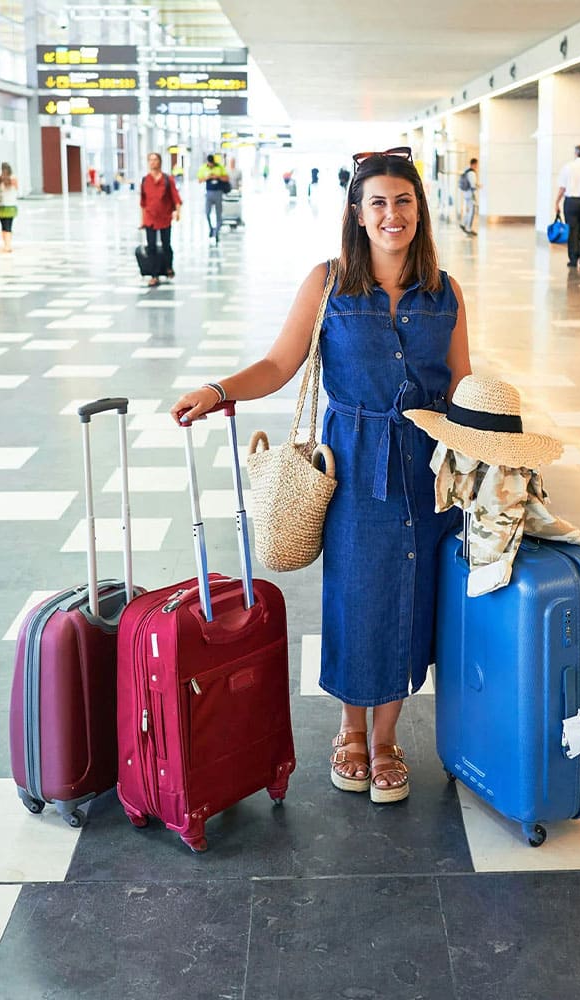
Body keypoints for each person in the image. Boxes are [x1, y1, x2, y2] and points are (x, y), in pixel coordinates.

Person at [171, 146, 472, 805]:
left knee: (413, 596)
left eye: (403, 201)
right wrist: (220, 389)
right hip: (354, 460)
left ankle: (388, 737)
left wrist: (493, 449)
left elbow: (460, 384)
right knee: (357, 595)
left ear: (419, 210)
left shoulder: (444, 292)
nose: (392, 214)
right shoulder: (329, 282)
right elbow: (280, 363)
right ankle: (349, 733)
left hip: (425, 465)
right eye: (378, 203)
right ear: (357, 214)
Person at [139, 152, 182, 287]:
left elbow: (176, 198)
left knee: (166, 245)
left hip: (164, 218)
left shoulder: (167, 180)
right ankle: (154, 275)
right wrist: (142, 220)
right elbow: (143, 203)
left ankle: (168, 266)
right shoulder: (145, 180)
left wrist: (178, 213)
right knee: (151, 247)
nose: (152, 162)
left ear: (160, 162)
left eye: (155, 160)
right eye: (150, 160)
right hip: (150, 218)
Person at [197, 153, 228, 243]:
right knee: (207, 213)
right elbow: (199, 180)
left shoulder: (220, 167)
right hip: (209, 193)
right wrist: (207, 177)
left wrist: (217, 177)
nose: (211, 165)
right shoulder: (203, 168)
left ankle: (216, 232)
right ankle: (211, 228)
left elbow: (226, 178)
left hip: (218, 192)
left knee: (219, 214)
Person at [459, 157, 478, 235]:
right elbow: (472, 185)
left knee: (469, 210)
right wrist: (476, 188)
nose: (477, 166)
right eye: (476, 164)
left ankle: (463, 224)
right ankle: (468, 228)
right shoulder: (472, 173)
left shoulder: (466, 171)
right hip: (470, 194)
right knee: (472, 211)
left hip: (466, 193)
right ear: (474, 164)